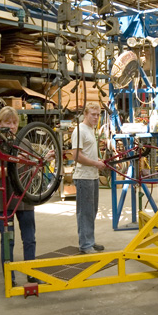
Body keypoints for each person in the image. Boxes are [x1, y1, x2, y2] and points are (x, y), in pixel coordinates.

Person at [0, 106, 37, 285]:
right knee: (8, 241)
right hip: (4, 199)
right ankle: (10, 278)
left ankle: (31, 273)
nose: (12, 126)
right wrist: (17, 164)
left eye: (14, 122)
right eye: (8, 122)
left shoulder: (25, 143)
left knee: (29, 238)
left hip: (24, 197)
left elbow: (32, 166)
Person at [71, 101, 105, 254]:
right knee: (85, 211)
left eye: (98, 115)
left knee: (92, 210)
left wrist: (98, 161)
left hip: (92, 176)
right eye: (93, 115)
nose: (96, 118)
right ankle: (85, 245)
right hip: (83, 176)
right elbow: (76, 155)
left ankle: (89, 240)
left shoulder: (91, 129)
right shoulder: (80, 130)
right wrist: (95, 163)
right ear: (85, 114)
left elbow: (88, 152)